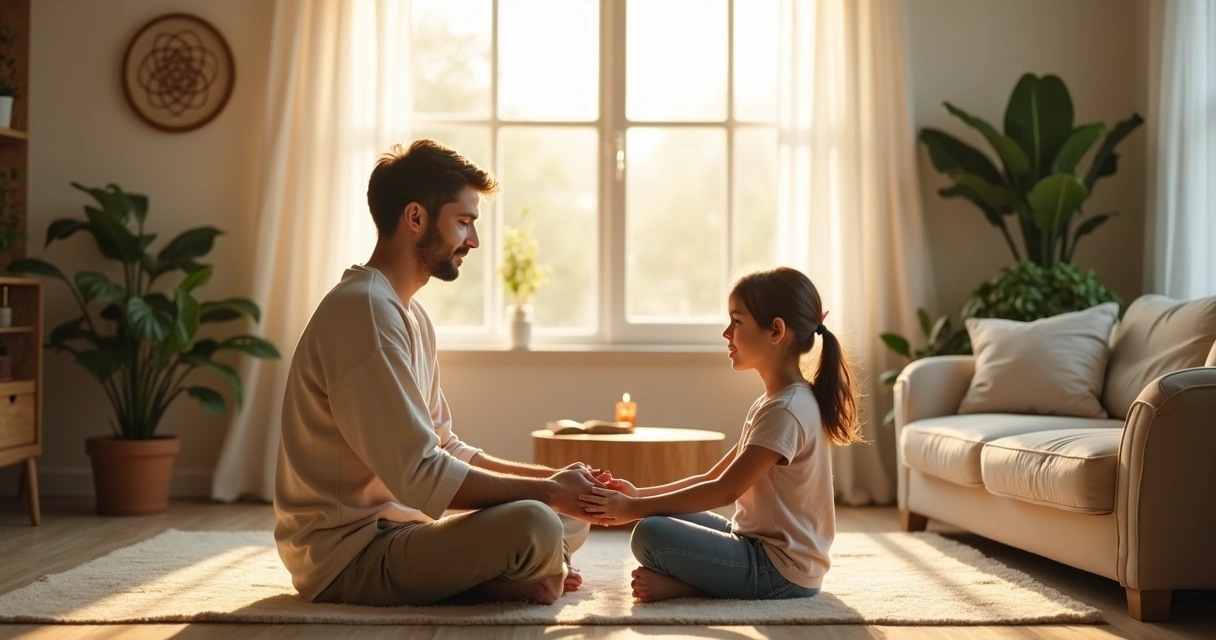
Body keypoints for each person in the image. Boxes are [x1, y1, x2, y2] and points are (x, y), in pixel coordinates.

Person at [274, 139, 604, 608]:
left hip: (406, 531)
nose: (474, 240)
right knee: (538, 522)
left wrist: (558, 483)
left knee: (573, 510)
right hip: (349, 556)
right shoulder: (364, 311)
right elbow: (421, 476)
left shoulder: (409, 313)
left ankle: (526, 570)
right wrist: (550, 492)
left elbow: (445, 447)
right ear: (416, 217)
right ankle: (516, 574)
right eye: (464, 222)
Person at [580, 267, 861, 602]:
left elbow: (725, 490)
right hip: (757, 543)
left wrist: (633, 509)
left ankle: (691, 586)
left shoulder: (785, 410)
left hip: (779, 571)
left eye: (737, 321)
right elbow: (713, 476)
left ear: (776, 330)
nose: (727, 333)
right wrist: (639, 496)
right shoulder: (776, 402)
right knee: (659, 514)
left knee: (650, 532)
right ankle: (698, 580)